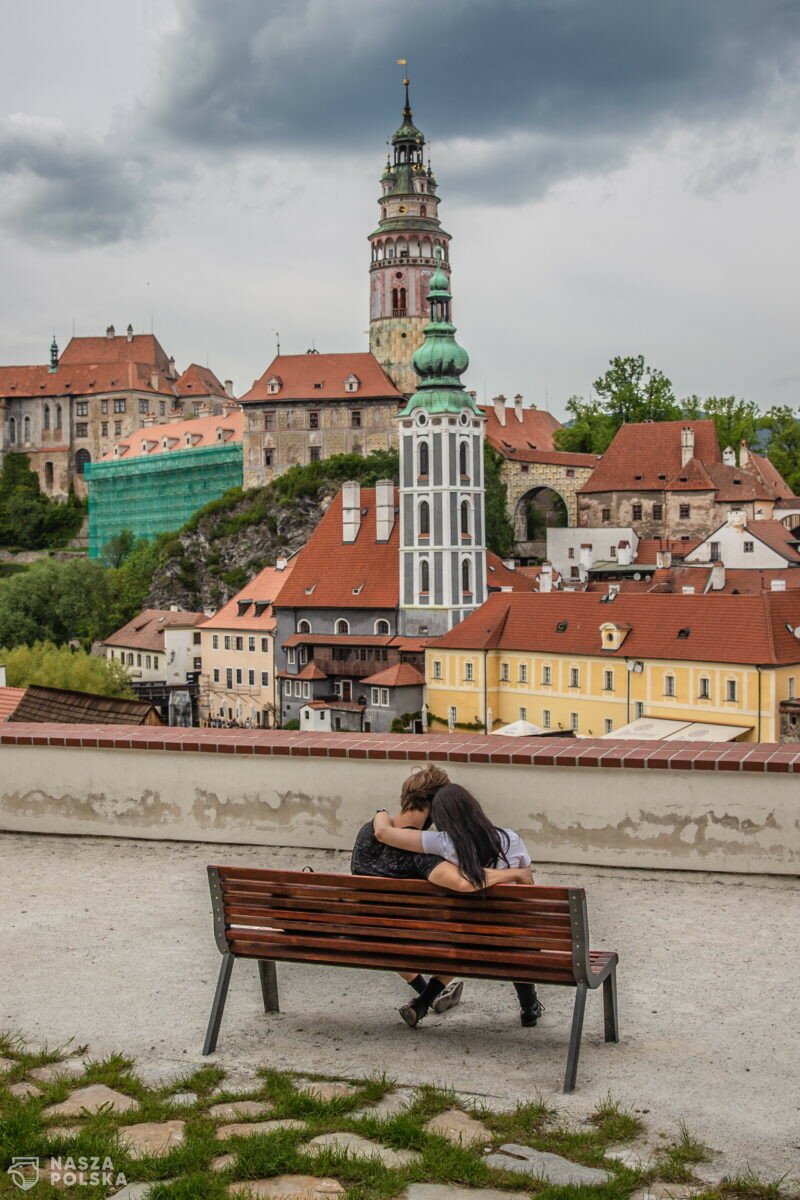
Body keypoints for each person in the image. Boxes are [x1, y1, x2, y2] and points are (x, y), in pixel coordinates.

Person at [351, 764, 531, 1015]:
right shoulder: (423, 855)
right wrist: (512, 873)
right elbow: (464, 880)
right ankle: (528, 1005)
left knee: (395, 928)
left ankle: (425, 998)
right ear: (433, 806)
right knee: (470, 933)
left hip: (369, 931)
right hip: (419, 939)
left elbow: (383, 831)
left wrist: (380, 812)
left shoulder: (367, 832)